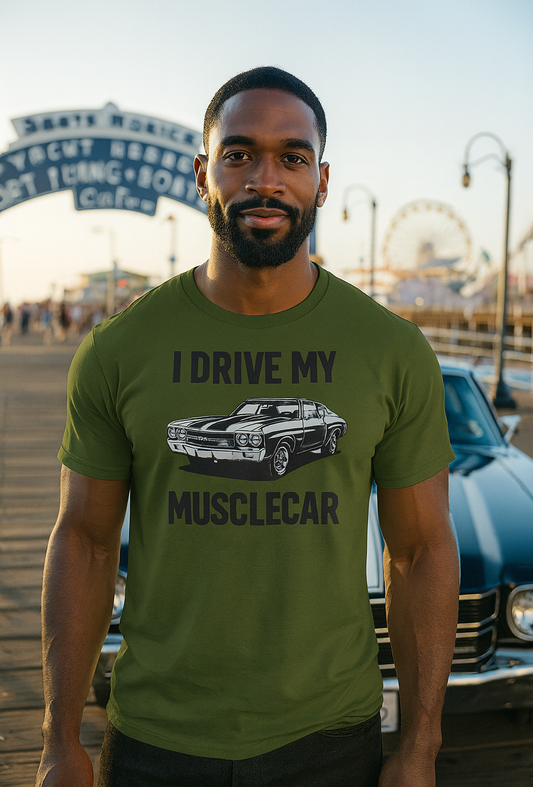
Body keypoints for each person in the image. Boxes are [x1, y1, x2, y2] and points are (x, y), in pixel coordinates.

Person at [36, 67, 459, 787]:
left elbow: (418, 552)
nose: (266, 179)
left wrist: (418, 749)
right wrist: (57, 739)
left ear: (321, 181)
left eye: (291, 158)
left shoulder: (390, 350)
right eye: (239, 155)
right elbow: (84, 539)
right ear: (204, 172)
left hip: (329, 737)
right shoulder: (119, 348)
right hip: (154, 738)